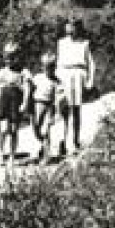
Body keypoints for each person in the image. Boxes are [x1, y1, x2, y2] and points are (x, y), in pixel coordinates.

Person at [54, 17, 97, 156]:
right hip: (63, 75)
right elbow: (57, 63)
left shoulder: (84, 43)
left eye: (72, 26)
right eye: (68, 26)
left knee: (76, 109)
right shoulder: (60, 43)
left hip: (78, 75)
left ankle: (75, 140)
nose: (69, 28)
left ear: (78, 28)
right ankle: (63, 140)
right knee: (63, 109)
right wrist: (56, 80)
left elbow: (91, 64)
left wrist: (90, 80)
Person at [0, 41, 29, 164]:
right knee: (3, 129)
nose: (9, 60)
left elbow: (27, 88)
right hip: (4, 101)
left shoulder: (23, 72)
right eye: (7, 57)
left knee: (13, 130)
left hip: (16, 102)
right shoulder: (2, 72)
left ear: (17, 57)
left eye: (12, 57)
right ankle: (0, 152)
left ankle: (12, 156)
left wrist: (24, 103)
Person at [29, 52, 60, 157]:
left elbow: (58, 97)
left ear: (55, 67)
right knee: (36, 129)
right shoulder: (37, 77)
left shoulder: (56, 81)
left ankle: (47, 154)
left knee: (46, 130)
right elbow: (30, 91)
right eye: (46, 67)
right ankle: (42, 144)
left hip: (49, 106)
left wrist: (57, 112)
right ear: (42, 67)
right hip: (37, 104)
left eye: (52, 67)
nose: (49, 70)